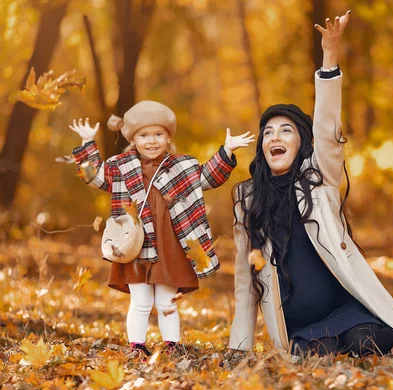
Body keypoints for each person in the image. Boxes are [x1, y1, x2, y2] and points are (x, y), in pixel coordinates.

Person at [228, 11, 393, 357]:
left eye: (285, 130)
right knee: (320, 354)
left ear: (301, 143)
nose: (274, 137)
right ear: (261, 146)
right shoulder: (247, 200)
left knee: (361, 342)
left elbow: (328, 131)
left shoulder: (318, 180)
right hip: (300, 330)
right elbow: (245, 283)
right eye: (267, 132)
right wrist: (239, 352)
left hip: (346, 312)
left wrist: (329, 57)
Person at [69, 101, 254, 357]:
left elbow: (208, 177)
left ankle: (172, 345)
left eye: (158, 134)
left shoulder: (182, 166)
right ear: (134, 139)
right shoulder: (120, 166)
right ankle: (136, 346)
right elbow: (92, 175)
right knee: (141, 301)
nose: (151, 141)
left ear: (168, 137)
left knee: (167, 301)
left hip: (170, 245)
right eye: (144, 135)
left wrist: (227, 150)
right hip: (135, 246)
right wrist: (88, 143)